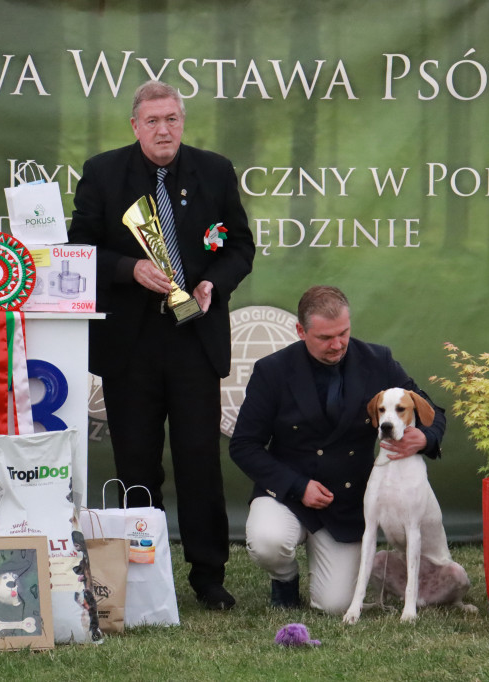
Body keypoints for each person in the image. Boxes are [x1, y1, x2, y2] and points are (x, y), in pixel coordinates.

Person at [68, 80, 255, 610]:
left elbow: (240, 246)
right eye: (152, 121)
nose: (163, 129)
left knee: (199, 459)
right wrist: (131, 269)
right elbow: (79, 249)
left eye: (171, 119)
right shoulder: (104, 172)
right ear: (135, 126)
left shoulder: (214, 170)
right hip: (131, 344)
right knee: (136, 463)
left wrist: (214, 283)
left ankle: (209, 576)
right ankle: (137, 573)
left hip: (194, 336)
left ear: (182, 122)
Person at [229, 285, 446, 613]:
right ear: (301, 331)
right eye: (325, 337)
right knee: (268, 541)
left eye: (344, 333)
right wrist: (298, 486)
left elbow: (431, 410)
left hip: (346, 499)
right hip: (288, 490)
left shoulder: (378, 361)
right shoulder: (272, 371)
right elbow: (244, 445)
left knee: (335, 605)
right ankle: (285, 578)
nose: (338, 344)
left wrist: (426, 438)